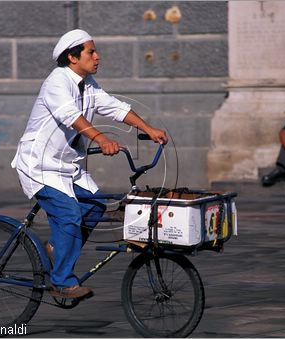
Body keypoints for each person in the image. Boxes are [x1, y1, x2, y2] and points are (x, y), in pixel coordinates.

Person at [11, 29, 168, 300]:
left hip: (67, 166)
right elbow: (71, 117)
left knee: (96, 206)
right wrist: (102, 138)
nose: (97, 56)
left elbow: (114, 107)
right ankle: (61, 282)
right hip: (40, 166)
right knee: (70, 215)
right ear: (72, 57)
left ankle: (57, 250)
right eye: (90, 52)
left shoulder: (88, 83)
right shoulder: (57, 82)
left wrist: (149, 128)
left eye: (95, 51)